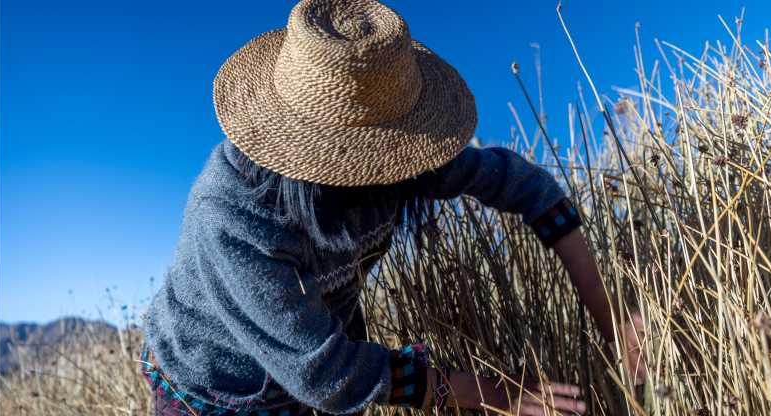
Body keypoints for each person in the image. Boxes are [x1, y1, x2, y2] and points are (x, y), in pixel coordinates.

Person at [140, 0, 645, 415]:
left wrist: (613, 319)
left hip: (316, 368)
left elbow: (530, 190)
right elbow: (326, 371)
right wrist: (494, 395)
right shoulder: (232, 213)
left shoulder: (401, 152)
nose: (378, 175)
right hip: (214, 388)